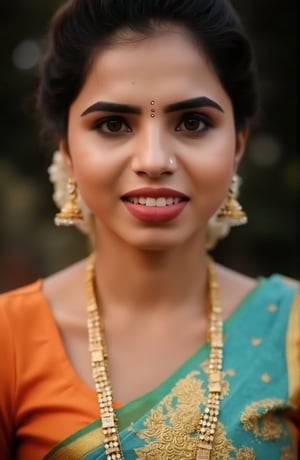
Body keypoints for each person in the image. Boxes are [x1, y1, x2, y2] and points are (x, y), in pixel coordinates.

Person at [0, 0, 299, 458]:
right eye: (114, 124)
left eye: (194, 122)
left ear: (238, 145)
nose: (155, 160)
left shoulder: (292, 329)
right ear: (68, 150)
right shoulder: (9, 338)